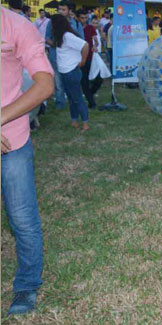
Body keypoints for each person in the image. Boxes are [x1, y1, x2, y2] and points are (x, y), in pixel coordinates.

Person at [1, 6, 54, 315]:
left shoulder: (17, 25)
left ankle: (27, 284)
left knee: (22, 219)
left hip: (13, 141)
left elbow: (45, 84)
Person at [52, 14, 90, 131]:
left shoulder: (68, 36)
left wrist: (82, 61)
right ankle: (74, 121)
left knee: (77, 98)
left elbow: (85, 45)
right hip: (65, 72)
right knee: (71, 98)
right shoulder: (62, 37)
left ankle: (85, 123)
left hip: (71, 72)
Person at [45, 1, 83, 110]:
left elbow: (82, 40)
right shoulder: (52, 22)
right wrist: (56, 44)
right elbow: (47, 38)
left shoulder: (75, 23)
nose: (61, 11)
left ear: (69, 11)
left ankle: (75, 102)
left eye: (63, 9)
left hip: (71, 59)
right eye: (59, 9)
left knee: (73, 82)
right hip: (56, 57)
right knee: (58, 83)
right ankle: (60, 103)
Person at [81, 14, 103, 109]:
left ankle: (90, 94)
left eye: (85, 18)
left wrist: (95, 45)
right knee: (84, 81)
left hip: (90, 57)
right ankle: (91, 102)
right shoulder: (75, 28)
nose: (84, 20)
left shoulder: (90, 28)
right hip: (80, 58)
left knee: (99, 77)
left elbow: (96, 41)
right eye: (82, 18)